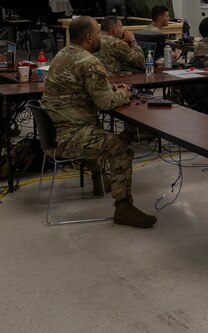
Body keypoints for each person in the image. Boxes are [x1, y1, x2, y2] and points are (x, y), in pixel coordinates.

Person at [41, 16, 157, 228]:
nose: (101, 38)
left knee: (97, 129)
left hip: (53, 133)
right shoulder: (89, 62)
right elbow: (105, 103)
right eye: (98, 33)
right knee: (121, 146)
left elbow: (84, 90)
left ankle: (99, 180)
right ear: (89, 37)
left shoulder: (62, 55)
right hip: (69, 137)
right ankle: (124, 208)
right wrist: (124, 92)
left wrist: (111, 88)